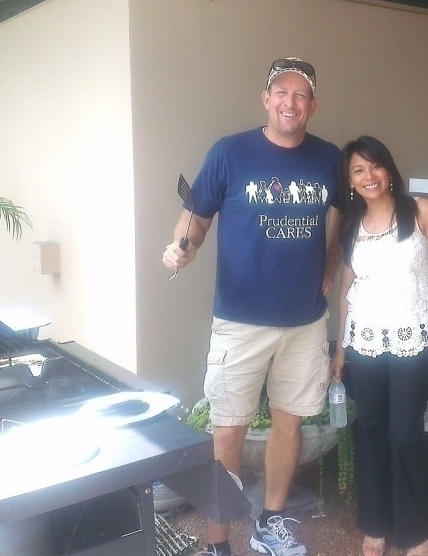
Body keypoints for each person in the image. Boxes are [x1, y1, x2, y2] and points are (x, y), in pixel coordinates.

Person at [162, 57, 341, 556]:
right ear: (266, 99)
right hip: (240, 321)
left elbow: (341, 220)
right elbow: (194, 221)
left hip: (304, 322)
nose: (291, 102)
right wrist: (182, 247)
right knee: (228, 432)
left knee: (290, 422)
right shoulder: (229, 153)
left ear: (313, 105)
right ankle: (220, 541)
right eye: (281, 92)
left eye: (301, 94)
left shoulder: (328, 158)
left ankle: (270, 523)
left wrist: (330, 263)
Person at [331, 136, 428, 556]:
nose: (368, 176)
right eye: (358, 170)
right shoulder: (352, 224)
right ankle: (375, 524)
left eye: (375, 166)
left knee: (404, 433)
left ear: (388, 170)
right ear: (351, 181)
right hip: (365, 341)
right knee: (369, 429)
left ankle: (414, 530)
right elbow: (346, 289)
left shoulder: (421, 211)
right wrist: (340, 347)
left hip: (413, 339)